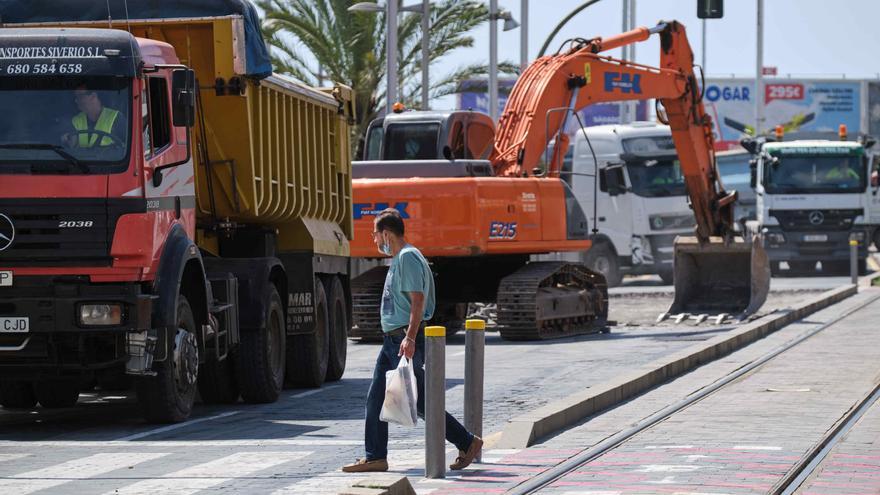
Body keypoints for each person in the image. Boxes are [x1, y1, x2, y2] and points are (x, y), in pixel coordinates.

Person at [342, 208, 482, 473]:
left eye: (375, 235)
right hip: (392, 341)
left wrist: (409, 337)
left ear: (386, 234)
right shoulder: (401, 258)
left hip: (401, 340)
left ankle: (466, 441)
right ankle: (375, 456)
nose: (374, 240)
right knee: (377, 398)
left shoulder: (407, 258)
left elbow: (417, 300)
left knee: (419, 402)